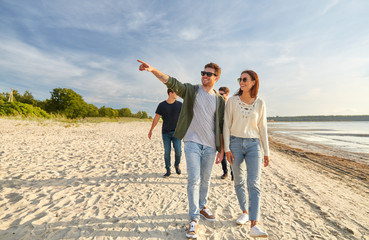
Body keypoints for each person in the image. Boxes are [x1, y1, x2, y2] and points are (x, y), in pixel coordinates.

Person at [138, 59, 225, 239]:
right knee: (193, 179)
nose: (204, 76)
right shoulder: (192, 91)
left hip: (210, 146)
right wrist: (153, 69)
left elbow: (222, 125)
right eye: (203, 73)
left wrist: (222, 149)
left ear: (216, 78)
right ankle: (193, 218)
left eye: (209, 74)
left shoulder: (219, 100)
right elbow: (172, 82)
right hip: (192, 141)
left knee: (205, 180)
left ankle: (202, 207)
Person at [223, 70, 270, 238]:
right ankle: (244, 211)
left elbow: (263, 128)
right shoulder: (232, 101)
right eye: (240, 79)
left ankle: (254, 225)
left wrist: (266, 151)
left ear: (253, 82)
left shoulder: (260, 103)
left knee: (254, 184)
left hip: (253, 145)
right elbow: (226, 125)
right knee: (239, 181)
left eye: (245, 79)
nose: (241, 82)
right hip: (234, 144)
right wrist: (227, 148)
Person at [148, 88, 182, 178]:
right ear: (170, 93)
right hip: (165, 133)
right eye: (176, 92)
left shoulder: (180, 105)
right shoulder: (162, 105)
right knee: (167, 152)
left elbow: (184, 118)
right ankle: (168, 169)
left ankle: (177, 165)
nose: (177, 94)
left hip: (177, 133)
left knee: (178, 151)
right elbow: (156, 118)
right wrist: (151, 130)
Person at [218, 86, 233, 181]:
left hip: (231, 133)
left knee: (231, 153)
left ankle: (233, 173)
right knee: (222, 153)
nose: (220, 96)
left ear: (227, 94)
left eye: (221, 94)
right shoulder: (218, 105)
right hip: (220, 132)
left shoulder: (231, 104)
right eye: (218, 94)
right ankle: (225, 172)